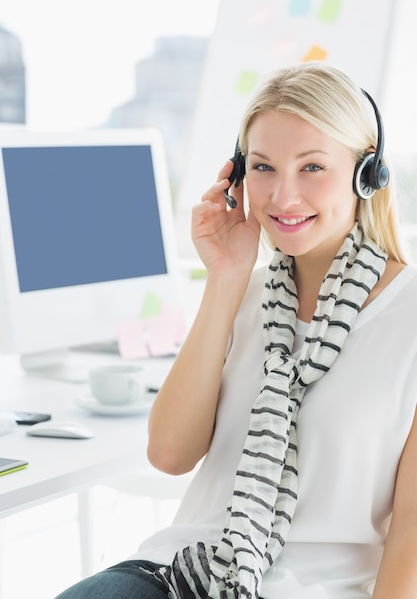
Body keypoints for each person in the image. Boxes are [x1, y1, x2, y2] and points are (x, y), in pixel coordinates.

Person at [55, 62, 417, 599]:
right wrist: (224, 280)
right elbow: (170, 455)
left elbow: (412, 530)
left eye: (312, 166)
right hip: (180, 572)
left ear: (368, 174)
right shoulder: (245, 294)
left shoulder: (407, 318)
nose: (282, 196)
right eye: (265, 168)